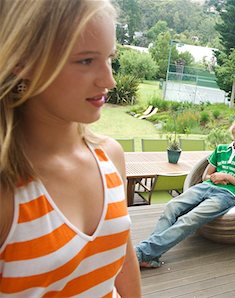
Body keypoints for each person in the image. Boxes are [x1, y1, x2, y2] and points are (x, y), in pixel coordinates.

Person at [0, 1, 141, 296]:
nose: (109, 81)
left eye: (110, 58)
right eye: (86, 61)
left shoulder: (110, 156)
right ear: (22, 61)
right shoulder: (9, 190)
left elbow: (122, 260)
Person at [135, 116, 235, 268]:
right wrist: (215, 177)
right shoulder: (221, 149)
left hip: (227, 195)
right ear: (232, 131)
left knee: (189, 219)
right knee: (171, 207)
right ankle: (150, 255)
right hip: (205, 187)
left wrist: (227, 176)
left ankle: (140, 253)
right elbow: (205, 176)